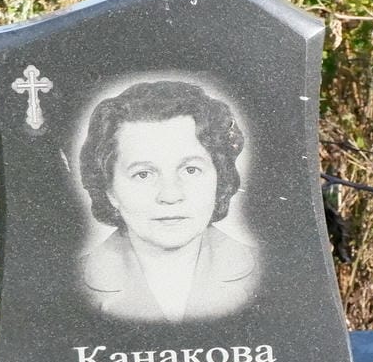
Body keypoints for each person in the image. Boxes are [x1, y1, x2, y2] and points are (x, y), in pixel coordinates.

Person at [77, 80, 258, 322]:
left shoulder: (270, 274)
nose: (170, 195)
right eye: (143, 174)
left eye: (191, 170)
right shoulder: (69, 284)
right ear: (109, 189)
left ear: (219, 176)